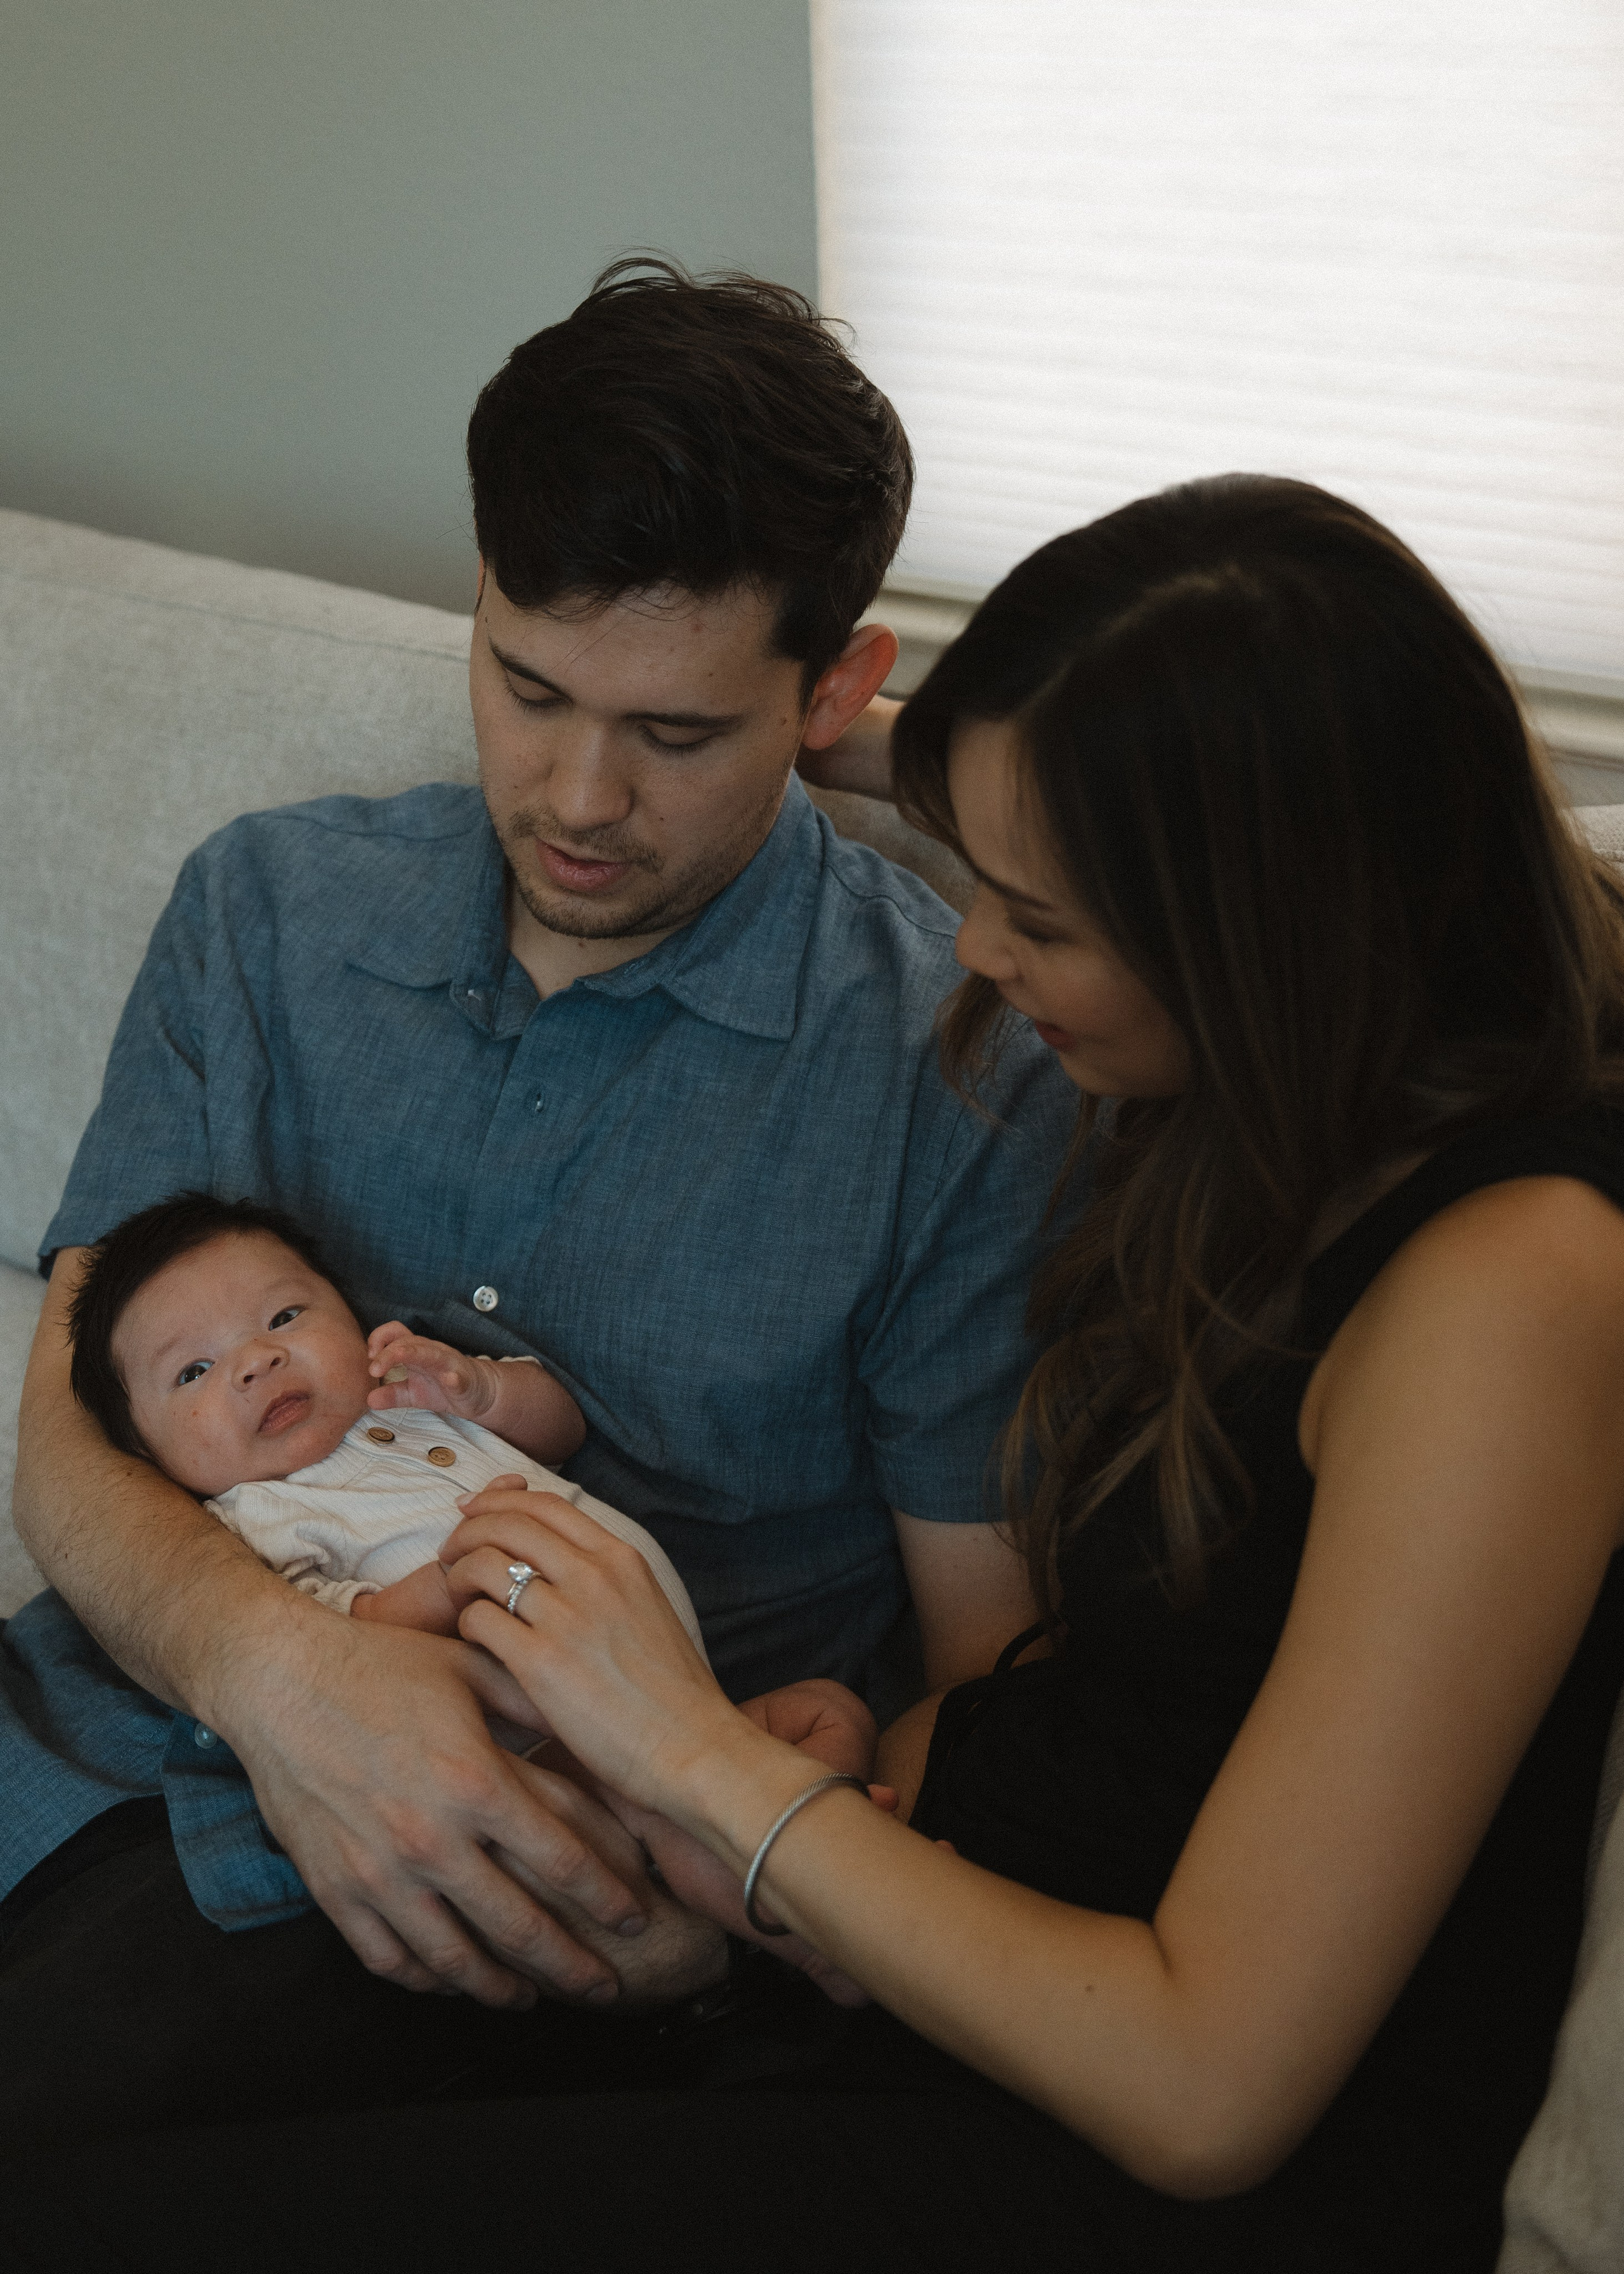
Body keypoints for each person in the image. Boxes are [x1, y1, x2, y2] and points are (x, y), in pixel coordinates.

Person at [14, 471, 1620, 2274]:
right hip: (867, 1928)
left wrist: (697, 1764)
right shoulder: (1276, 1123)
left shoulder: (1518, 1286)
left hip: (1075, 2125)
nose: (987, 959)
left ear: (1271, 921)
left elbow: (1206, 2096)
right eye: (532, 687)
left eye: (1045, 914)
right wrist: (760, 734)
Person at [0, 260, 1075, 2139]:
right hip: (92, 1732)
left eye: (677, 736)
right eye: (528, 686)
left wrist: (745, 1895)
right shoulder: (266, 916)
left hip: (513, 1872)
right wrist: (286, 1675)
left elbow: (986, 1682)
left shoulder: (960, 1082)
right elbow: (69, 1430)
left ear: (836, 690)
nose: (579, 794)